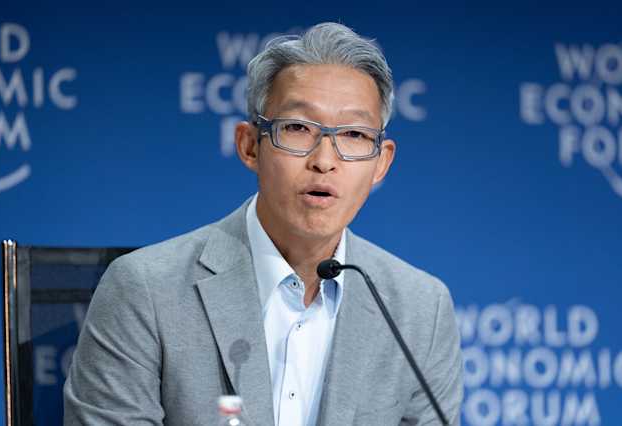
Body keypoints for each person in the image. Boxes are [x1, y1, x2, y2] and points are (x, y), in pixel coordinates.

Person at [63, 22, 462, 426]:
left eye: (354, 134)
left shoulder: (419, 310)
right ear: (250, 146)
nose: (325, 160)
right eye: (298, 128)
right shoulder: (146, 291)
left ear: (381, 162)